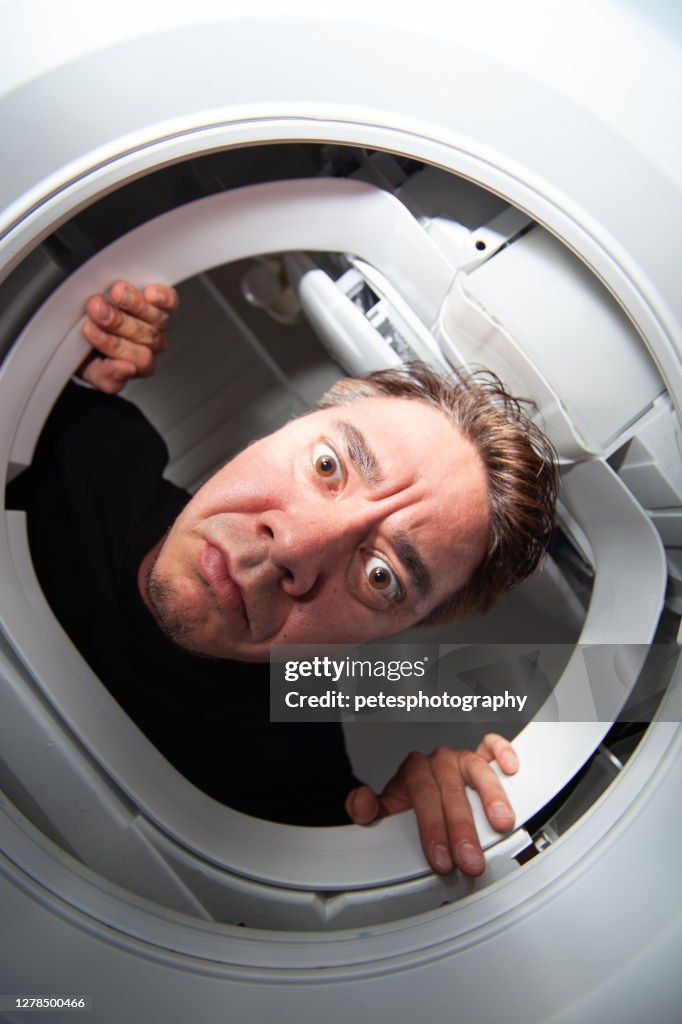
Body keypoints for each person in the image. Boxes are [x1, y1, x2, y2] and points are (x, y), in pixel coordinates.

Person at [7, 279, 558, 879]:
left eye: (380, 576)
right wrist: (38, 359)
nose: (297, 546)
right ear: (277, 432)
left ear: (381, 637)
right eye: (328, 466)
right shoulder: (83, 440)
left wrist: (398, 845)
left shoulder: (289, 794)